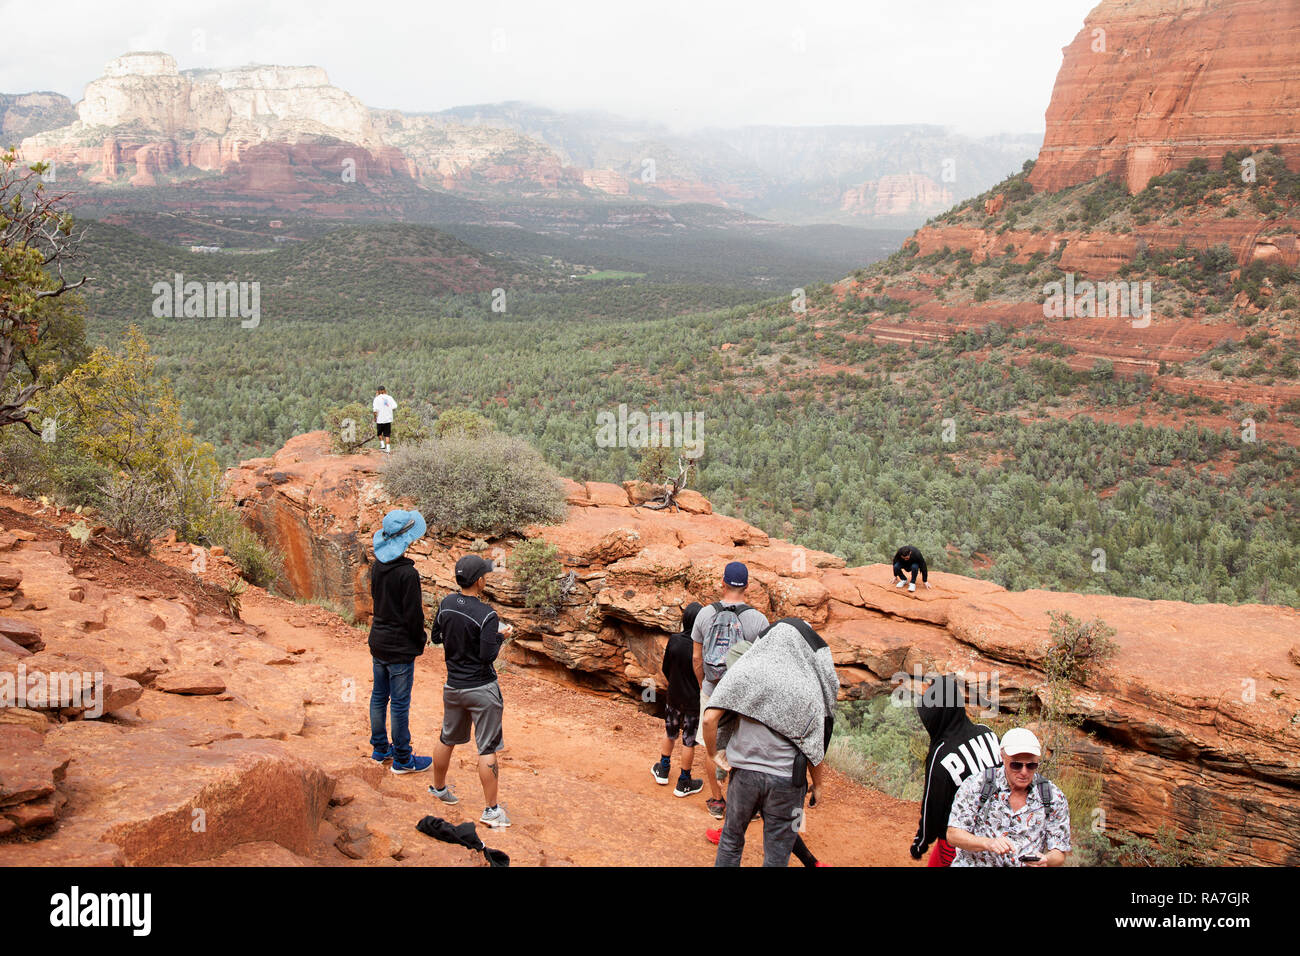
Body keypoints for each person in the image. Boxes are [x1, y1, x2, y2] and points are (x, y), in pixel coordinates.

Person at [703, 618, 839, 867]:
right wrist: (818, 785)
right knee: (777, 853)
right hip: (786, 780)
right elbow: (814, 746)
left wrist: (715, 755)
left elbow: (710, 718)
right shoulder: (809, 687)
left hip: (744, 775)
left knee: (731, 840)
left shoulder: (746, 671)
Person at [427, 554, 514, 828]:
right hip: (481, 688)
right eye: (484, 576)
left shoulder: (446, 603)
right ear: (479, 581)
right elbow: (487, 655)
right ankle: (491, 810)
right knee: (486, 747)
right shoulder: (487, 615)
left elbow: (436, 637)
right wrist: (502, 636)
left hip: (453, 685)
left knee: (446, 737)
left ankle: (438, 788)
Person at [691, 561, 770, 818]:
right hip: (742, 694)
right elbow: (762, 662)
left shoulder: (704, 614)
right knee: (744, 748)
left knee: (710, 746)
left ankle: (717, 801)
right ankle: (744, 805)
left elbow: (696, 657)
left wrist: (703, 683)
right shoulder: (758, 620)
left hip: (713, 688)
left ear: (722, 583)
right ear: (746, 586)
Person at [909, 674, 1002, 866]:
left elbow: (932, 808)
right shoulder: (988, 733)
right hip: (996, 831)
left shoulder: (942, 756)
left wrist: (920, 844)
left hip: (958, 839)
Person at [367, 509, 433, 774]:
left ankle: (380, 748)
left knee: (379, 696)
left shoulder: (377, 567)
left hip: (378, 641)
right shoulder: (407, 574)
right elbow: (413, 615)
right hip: (400, 647)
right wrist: (420, 641)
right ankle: (403, 759)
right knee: (400, 703)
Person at [946, 727, 1071, 867]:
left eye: (1031, 765)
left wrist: (1045, 860)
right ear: (1003, 757)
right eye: (1016, 765)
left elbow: (1059, 852)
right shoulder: (977, 785)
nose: (1024, 772)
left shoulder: (1053, 797)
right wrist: (987, 843)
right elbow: (953, 834)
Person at [652, 602, 705, 797]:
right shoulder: (702, 647)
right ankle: (684, 781)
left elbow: (666, 668)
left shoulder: (674, 640)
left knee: (670, 732)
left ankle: (663, 770)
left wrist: (674, 683)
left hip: (673, 696)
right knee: (689, 741)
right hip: (693, 701)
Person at [372, 386, 397, 453]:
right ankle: (388, 449)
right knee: (387, 434)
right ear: (385, 390)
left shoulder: (376, 399)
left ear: (378, 391)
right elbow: (395, 406)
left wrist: (375, 418)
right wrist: (389, 409)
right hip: (388, 419)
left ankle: (382, 446)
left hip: (380, 419)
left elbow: (375, 410)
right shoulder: (389, 397)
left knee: (379, 433)